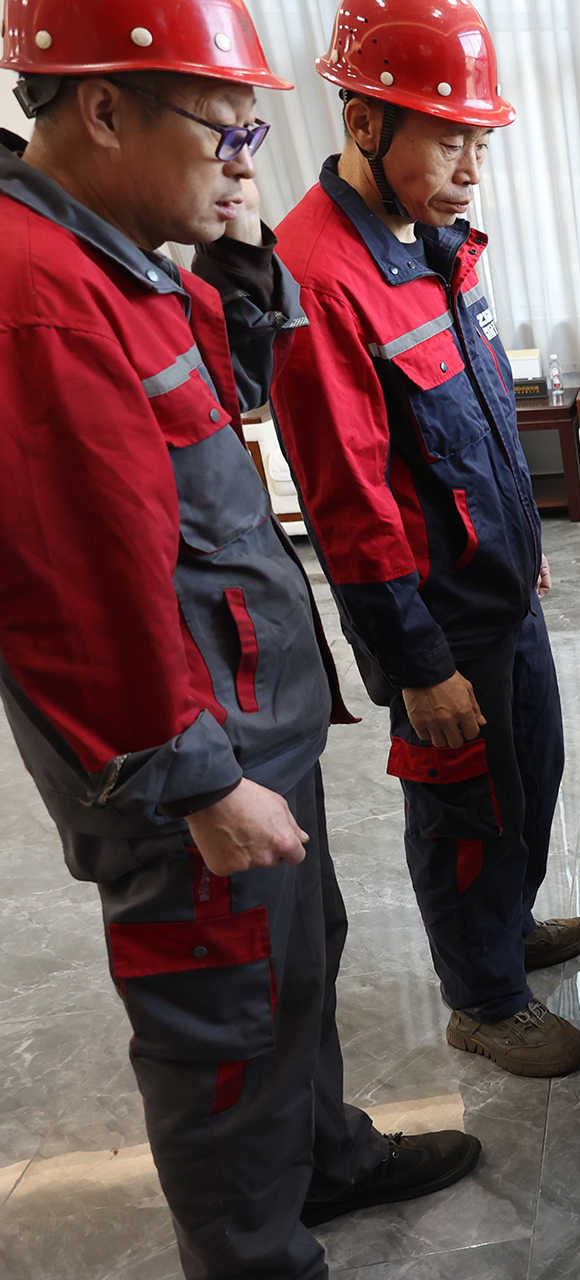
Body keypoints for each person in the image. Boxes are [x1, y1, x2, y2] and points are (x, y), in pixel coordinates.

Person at [0, 0, 480, 1272]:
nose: (243, 160)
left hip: (245, 711)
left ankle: (324, 1158)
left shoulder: (114, 252)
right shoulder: (37, 297)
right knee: (224, 1024)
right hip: (187, 755)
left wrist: (245, 264)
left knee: (295, 968)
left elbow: (220, 405)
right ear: (105, 109)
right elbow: (75, 597)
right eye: (224, 128)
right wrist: (200, 780)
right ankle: (256, 1253)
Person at [268, 0, 580, 1078]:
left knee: (532, 769)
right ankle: (484, 997)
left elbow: (482, 415)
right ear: (364, 124)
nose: (470, 169)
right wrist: (417, 665)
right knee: (466, 807)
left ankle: (506, 924)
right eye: (449, 140)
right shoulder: (320, 277)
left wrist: (525, 546)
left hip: (501, 586)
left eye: (480, 144)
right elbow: (348, 501)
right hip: (437, 620)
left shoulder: (435, 243)